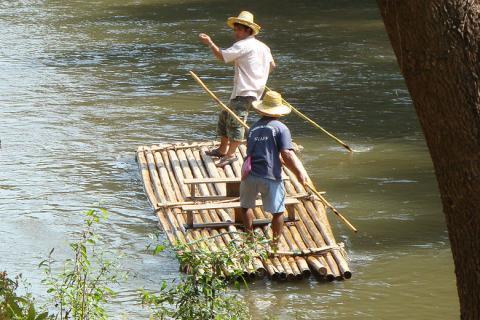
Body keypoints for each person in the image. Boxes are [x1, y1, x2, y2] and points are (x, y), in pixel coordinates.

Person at [198, 11, 276, 167]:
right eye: (235, 29)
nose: (235, 33)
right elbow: (272, 66)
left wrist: (210, 43)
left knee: (236, 121)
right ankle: (222, 149)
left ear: (248, 30)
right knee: (225, 115)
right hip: (255, 90)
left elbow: (223, 56)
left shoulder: (243, 45)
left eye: (238, 29)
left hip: (245, 90)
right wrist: (259, 76)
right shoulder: (263, 47)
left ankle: (231, 154)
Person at [240, 90, 307, 250]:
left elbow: (257, 150)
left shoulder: (253, 128)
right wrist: (299, 173)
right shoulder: (281, 128)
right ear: (278, 111)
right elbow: (287, 153)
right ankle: (275, 245)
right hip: (270, 174)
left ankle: (250, 241)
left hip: (249, 174)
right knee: (277, 211)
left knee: (246, 207)